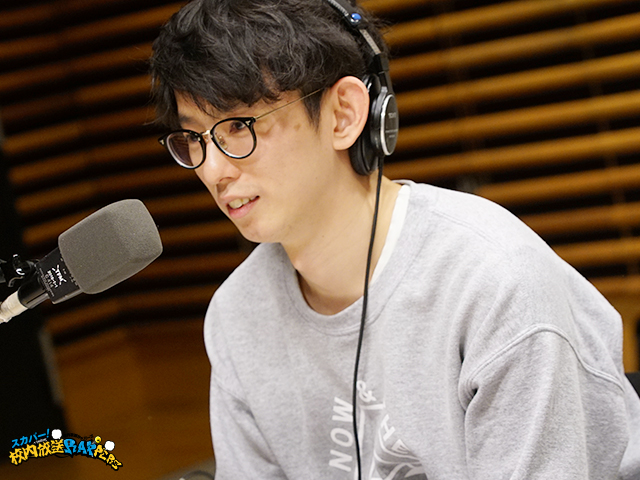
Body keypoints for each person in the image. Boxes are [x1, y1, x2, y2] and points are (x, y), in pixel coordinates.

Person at [150, 0, 640, 478]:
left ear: (344, 115)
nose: (212, 170)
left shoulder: (495, 283)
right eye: (194, 138)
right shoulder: (236, 315)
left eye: (238, 127)